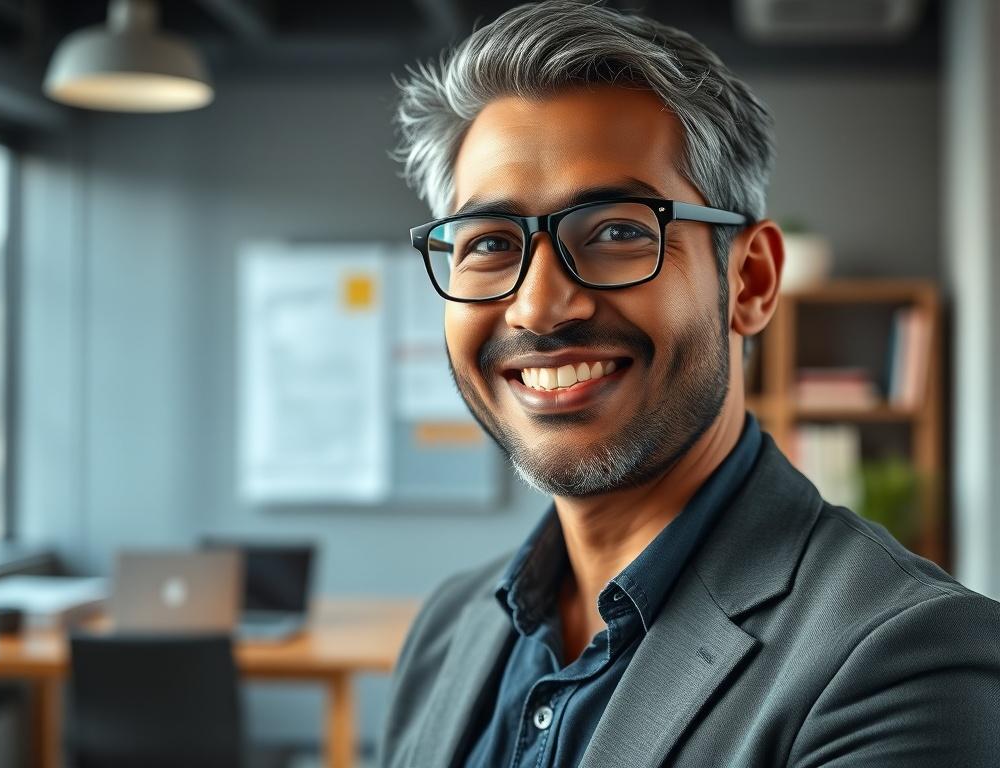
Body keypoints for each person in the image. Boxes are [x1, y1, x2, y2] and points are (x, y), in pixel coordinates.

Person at [379, 2, 1000, 766]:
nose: (538, 305)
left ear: (750, 280)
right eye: (489, 244)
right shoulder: (447, 629)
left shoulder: (906, 660)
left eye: (616, 230)